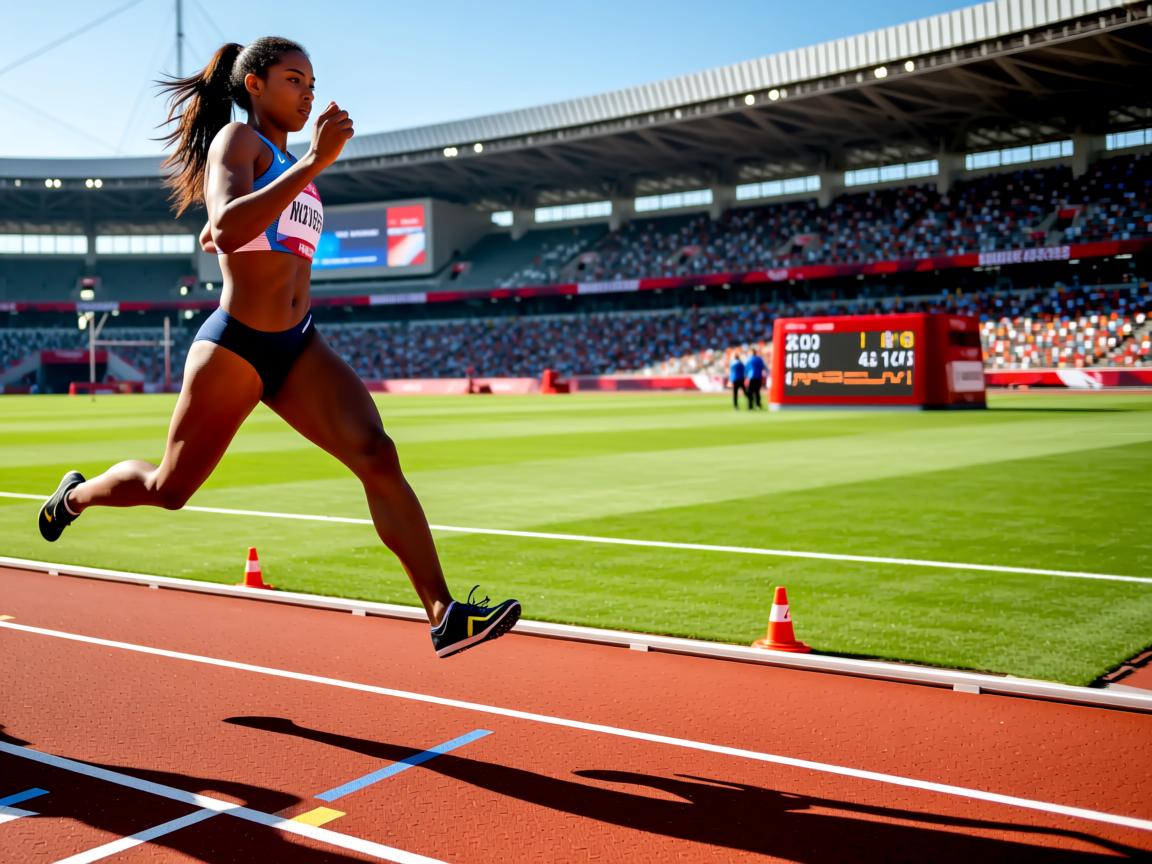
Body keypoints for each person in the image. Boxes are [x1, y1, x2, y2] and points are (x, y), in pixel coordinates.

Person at [36, 38, 518, 659]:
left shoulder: (290, 164)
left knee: (378, 453)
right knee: (169, 488)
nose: (308, 92)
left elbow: (244, 229)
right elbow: (230, 230)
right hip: (235, 347)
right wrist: (313, 163)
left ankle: (443, 614)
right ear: (255, 85)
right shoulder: (237, 143)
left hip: (298, 343)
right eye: (295, 80)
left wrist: (300, 170)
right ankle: (75, 494)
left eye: (313, 82)